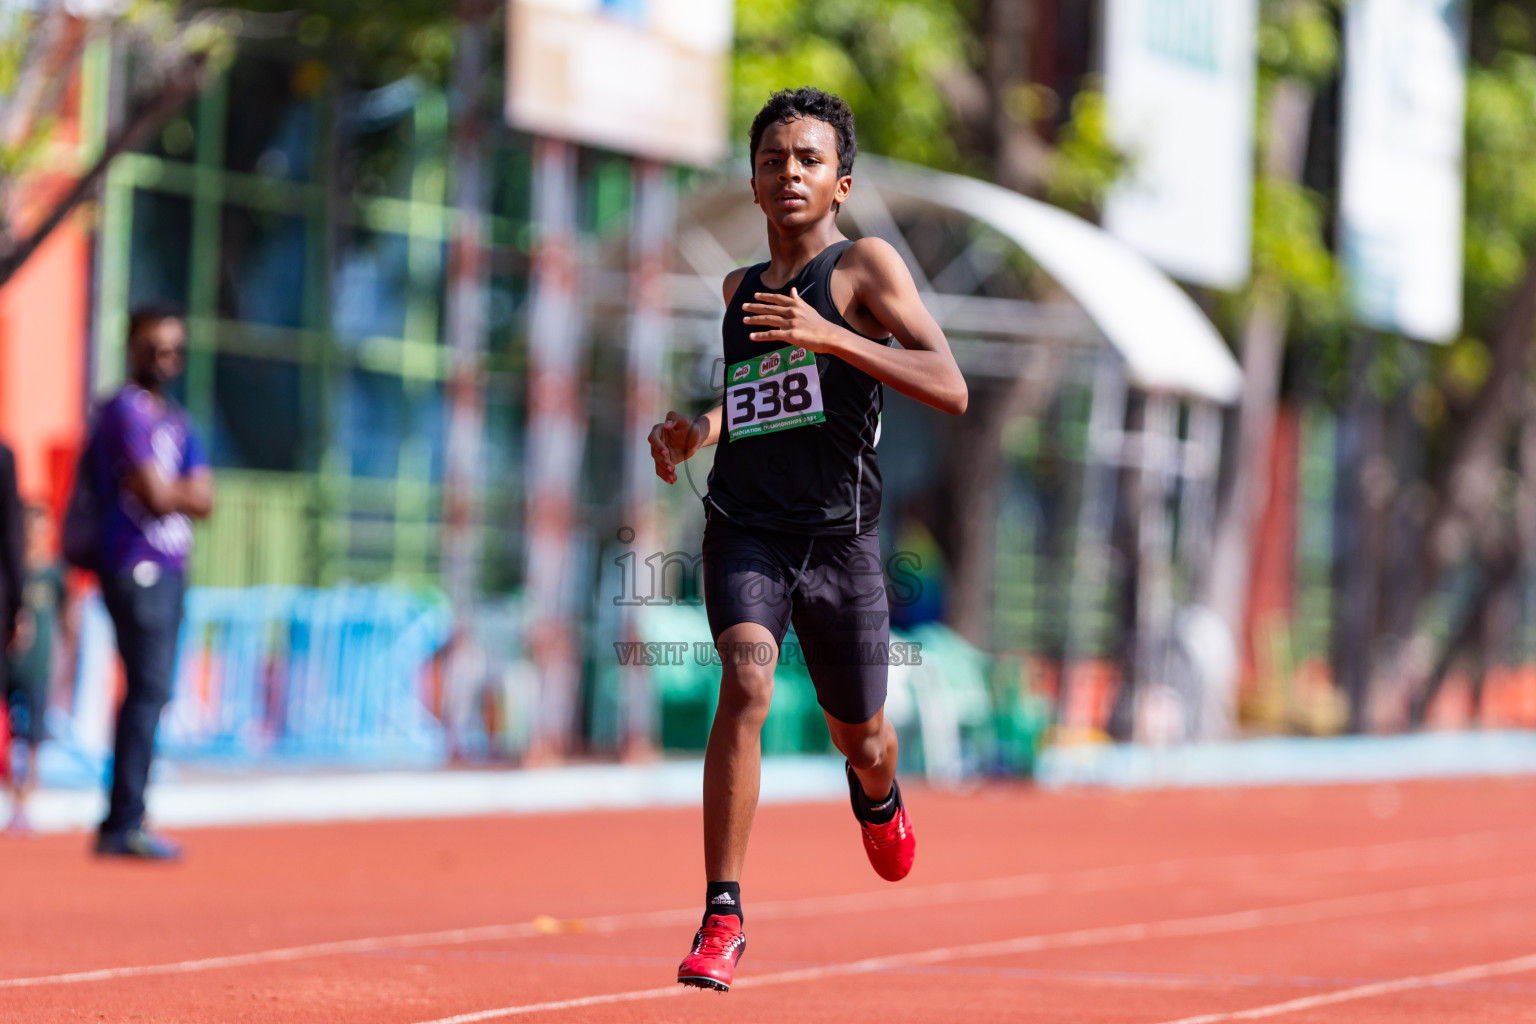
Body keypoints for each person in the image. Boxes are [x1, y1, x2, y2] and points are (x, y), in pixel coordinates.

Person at [648, 87, 967, 992]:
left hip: (842, 547)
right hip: (746, 527)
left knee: (859, 735)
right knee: (745, 681)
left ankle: (878, 793)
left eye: (808, 159)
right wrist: (695, 432)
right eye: (772, 159)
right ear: (752, 183)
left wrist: (834, 335)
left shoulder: (865, 268)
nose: (789, 171)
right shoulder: (739, 291)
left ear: (841, 182)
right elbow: (762, 404)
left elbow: (949, 384)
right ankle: (722, 914)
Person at [89, 306, 214, 859]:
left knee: (153, 690)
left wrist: (177, 491)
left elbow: (205, 498)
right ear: (132, 349)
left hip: (171, 568)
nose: (165, 361)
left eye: (173, 351)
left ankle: (126, 812)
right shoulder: (123, 411)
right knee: (147, 687)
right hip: (132, 562)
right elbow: (158, 495)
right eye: (154, 349)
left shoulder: (177, 421)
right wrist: (175, 492)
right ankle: (124, 818)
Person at [5, 504, 66, 833]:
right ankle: (11, 793)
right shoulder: (13, 571)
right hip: (10, 665)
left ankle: (25, 798)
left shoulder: (54, 574)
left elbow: (67, 616)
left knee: (34, 736)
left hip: (39, 667)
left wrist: (66, 659)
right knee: (9, 734)